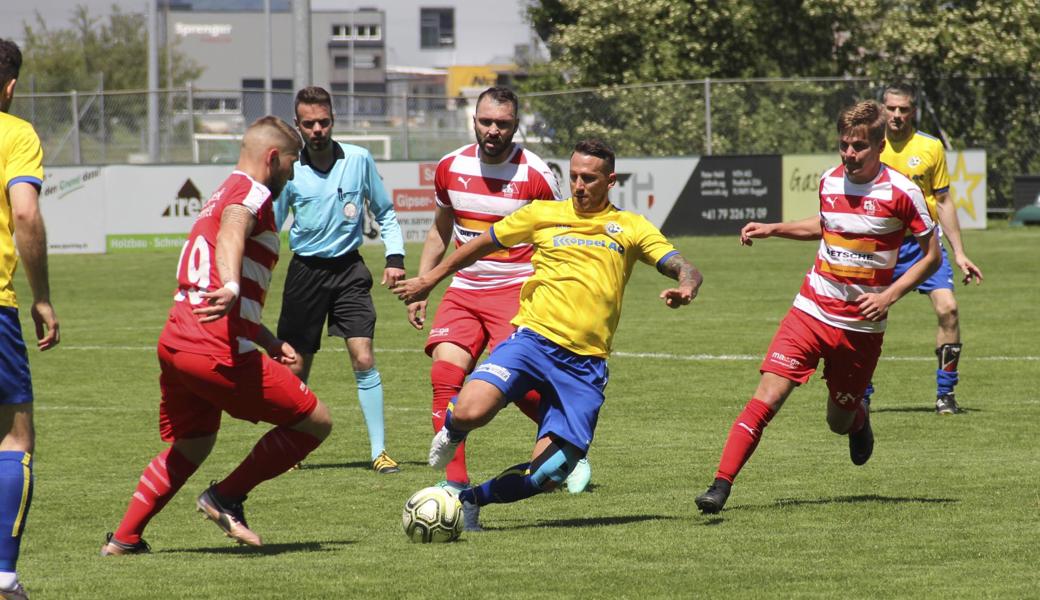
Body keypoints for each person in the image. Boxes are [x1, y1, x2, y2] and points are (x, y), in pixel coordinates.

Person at [394, 139, 702, 526]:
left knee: (547, 475)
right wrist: (431, 279)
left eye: (589, 178)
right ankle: (452, 431)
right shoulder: (542, 214)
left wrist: (687, 285)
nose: (578, 185)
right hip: (531, 342)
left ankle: (472, 500)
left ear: (610, 181)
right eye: (573, 176)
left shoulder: (631, 227)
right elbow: (479, 246)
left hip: (585, 366)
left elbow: (682, 265)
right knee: (471, 409)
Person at [694, 100, 941, 515]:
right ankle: (720, 486)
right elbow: (825, 225)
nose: (849, 154)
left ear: (880, 145)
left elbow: (931, 256)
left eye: (858, 146)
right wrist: (775, 228)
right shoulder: (829, 181)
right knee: (767, 398)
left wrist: (887, 297)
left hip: (859, 329)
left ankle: (859, 417)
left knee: (837, 422)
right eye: (844, 144)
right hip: (809, 311)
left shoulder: (904, 193)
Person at [101, 116, 332, 554]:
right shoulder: (251, 191)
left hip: (177, 341)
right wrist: (229, 285)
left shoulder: (221, 190)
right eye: (292, 163)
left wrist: (265, 338)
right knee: (315, 421)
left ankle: (124, 538)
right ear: (272, 158)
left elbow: (218, 264)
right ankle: (225, 496)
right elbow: (232, 233)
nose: (293, 172)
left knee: (194, 442)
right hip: (213, 349)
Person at [411, 87, 589, 531]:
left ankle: (565, 449)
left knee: (512, 386)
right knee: (445, 375)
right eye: (486, 122)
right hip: (464, 289)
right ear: (474, 120)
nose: (493, 130)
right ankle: (455, 489)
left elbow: (561, 235)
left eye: (503, 124)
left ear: (515, 125)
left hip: (517, 290)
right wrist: (422, 285)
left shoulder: (537, 174)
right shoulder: (450, 167)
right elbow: (440, 230)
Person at [271, 86, 404, 474]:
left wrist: (395, 258)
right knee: (296, 367)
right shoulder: (289, 167)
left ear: (334, 121)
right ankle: (291, 446)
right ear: (297, 126)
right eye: (309, 123)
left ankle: (379, 452)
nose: (317, 130)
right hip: (305, 273)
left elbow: (386, 213)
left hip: (349, 270)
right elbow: (273, 224)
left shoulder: (359, 159)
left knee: (363, 356)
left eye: (323, 122)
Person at [870, 83, 984, 414]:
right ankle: (860, 394)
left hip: (925, 245)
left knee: (948, 309)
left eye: (903, 109)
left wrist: (960, 252)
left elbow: (944, 201)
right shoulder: (871, 145)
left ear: (913, 111)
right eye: (891, 108)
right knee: (869, 317)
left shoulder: (930, 147)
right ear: (882, 109)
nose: (896, 115)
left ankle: (945, 395)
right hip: (881, 246)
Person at [0, 38, 60, 600]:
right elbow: (25, 211)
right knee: (14, 438)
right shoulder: (15, 133)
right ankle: (4, 577)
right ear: (10, 85)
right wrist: (41, 296)